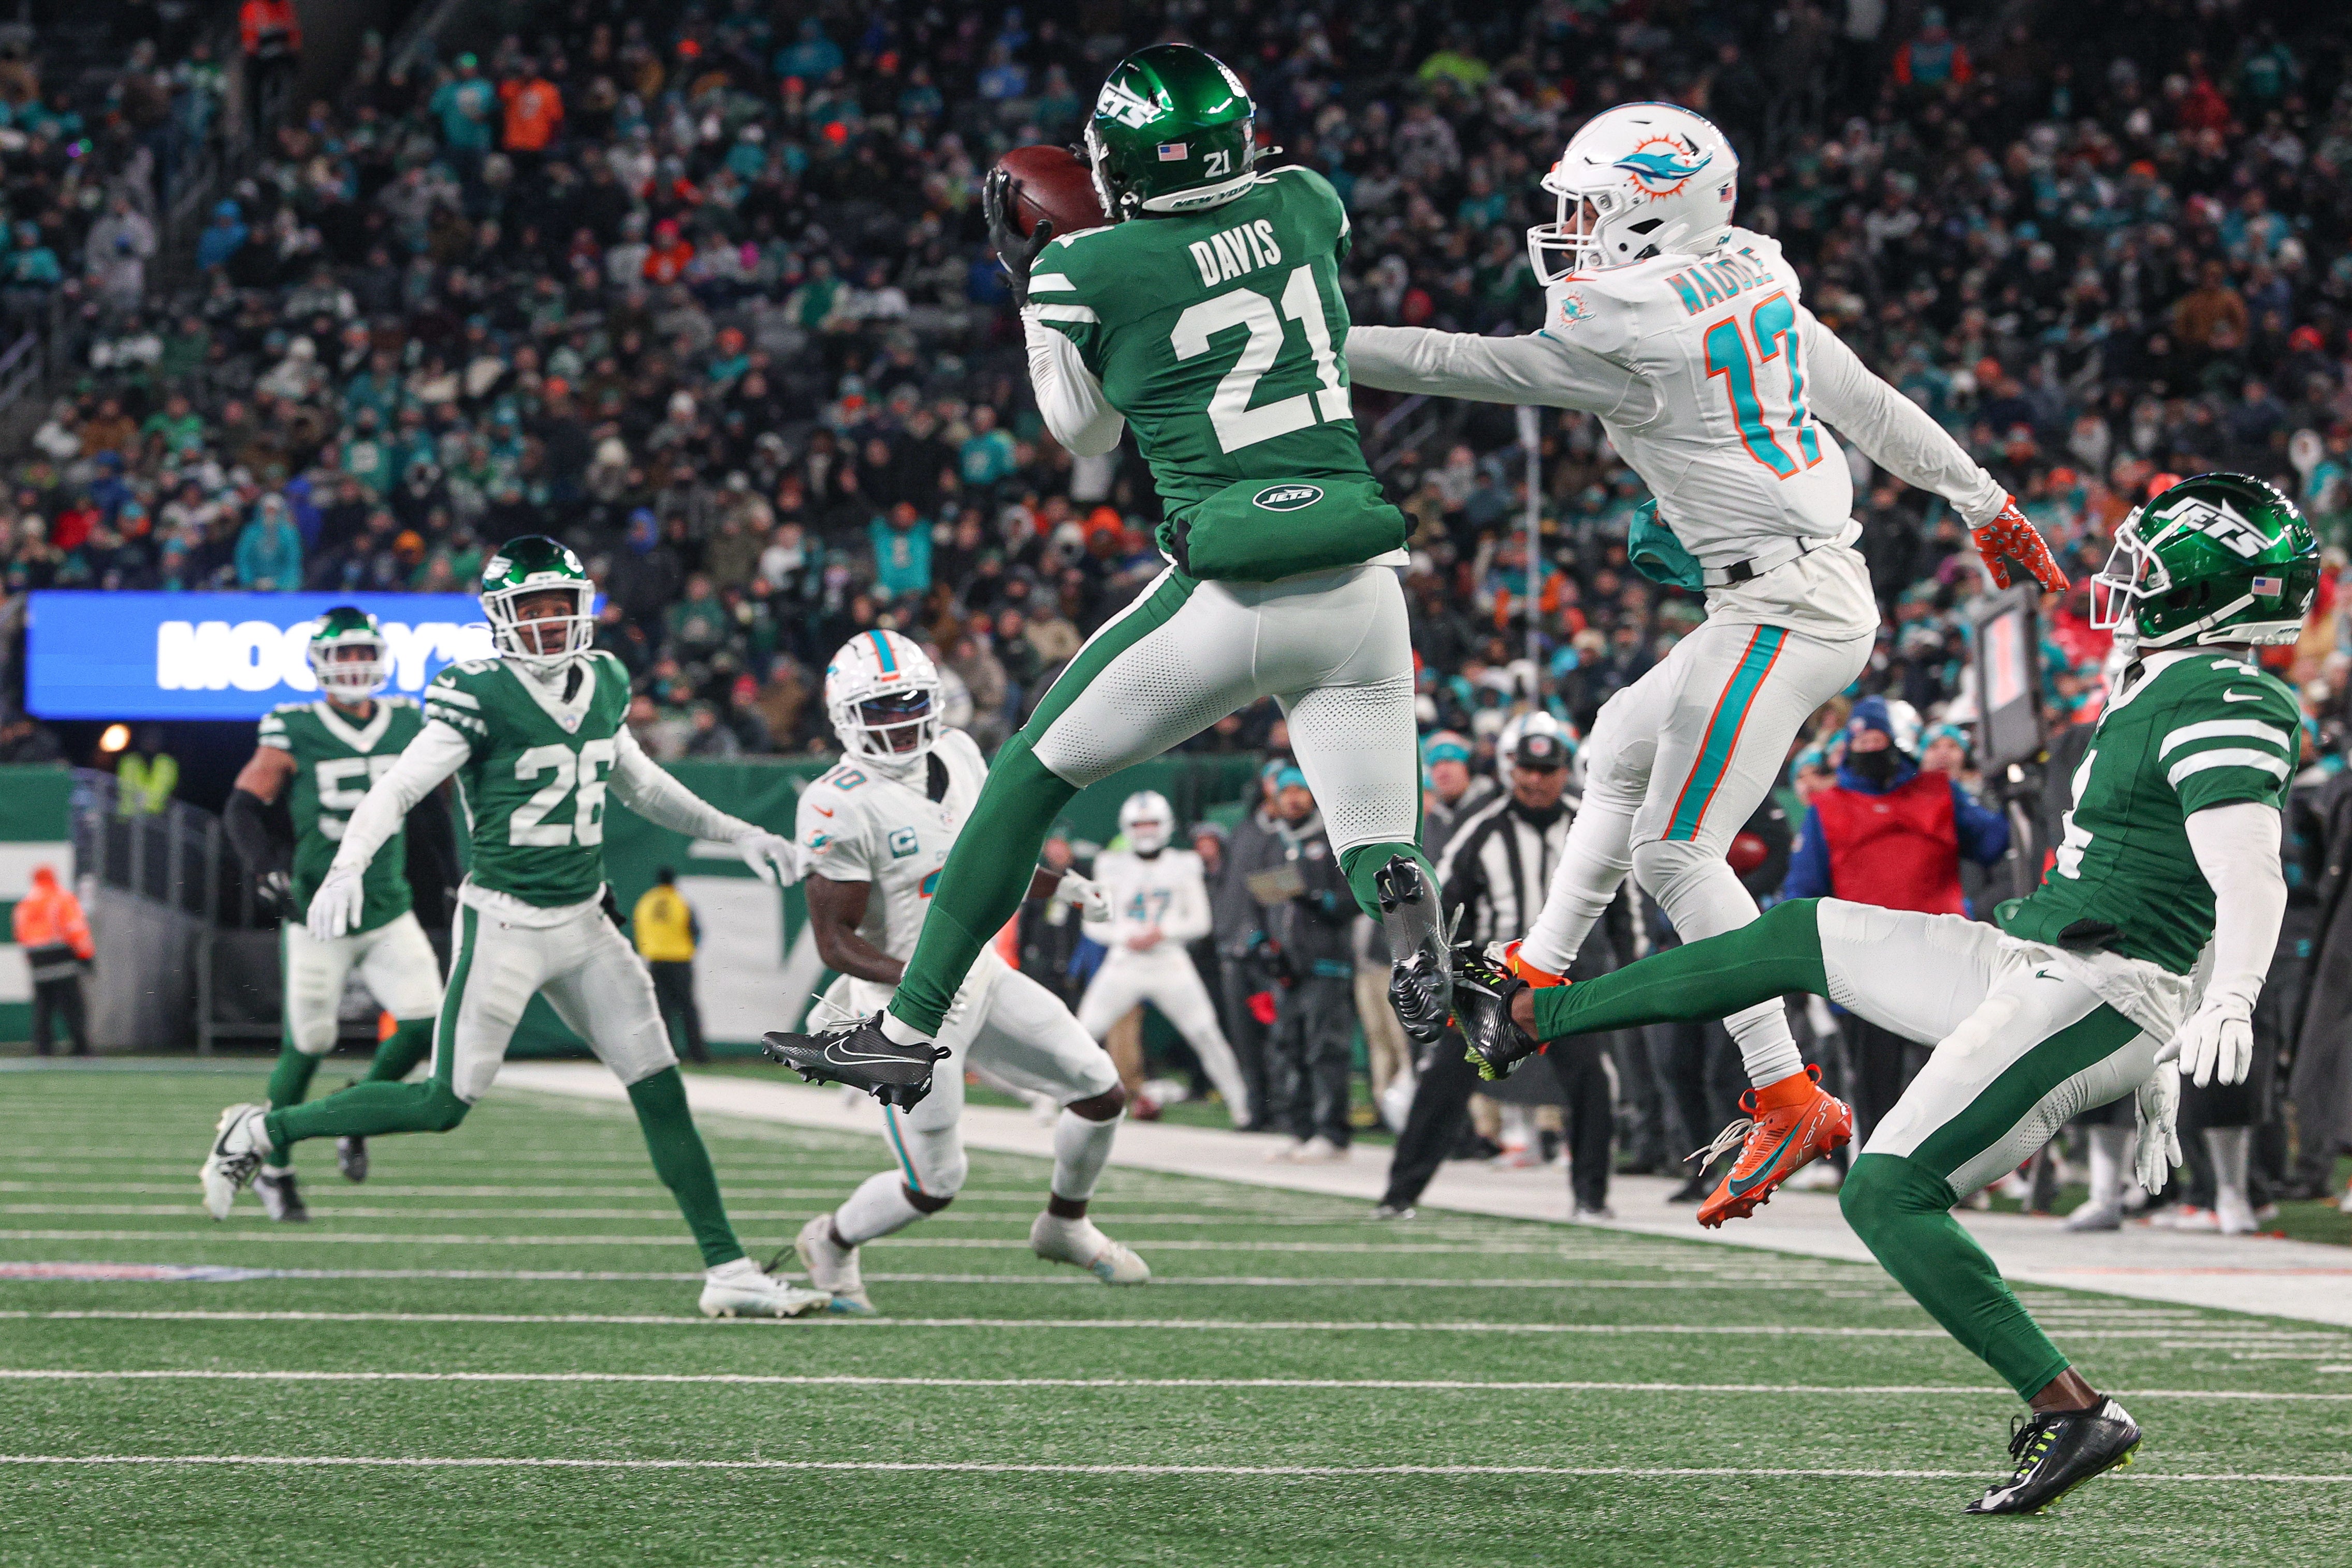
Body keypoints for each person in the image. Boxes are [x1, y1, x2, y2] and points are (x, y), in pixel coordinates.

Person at [1450, 474, 2316, 1514]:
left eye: (2153, 571)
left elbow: (2247, 869)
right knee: (1792, 932)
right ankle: (1526, 1012)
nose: (2127, 583)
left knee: (1885, 1189)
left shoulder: (2229, 693)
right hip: (2042, 959)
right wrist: (2176, 1030)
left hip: (2098, 987)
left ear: (2213, 595)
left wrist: (2224, 1000)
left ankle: (2075, 1406)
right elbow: (2182, 871)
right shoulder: (2163, 679)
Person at [1343, 100, 2069, 1226]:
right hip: (1786, 586)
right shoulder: (1752, 275)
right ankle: (1540, 966)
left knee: (1675, 850)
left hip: (1784, 604)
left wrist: (1307, 345)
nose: (1573, 227)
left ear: (1652, 213)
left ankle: (1784, 1085)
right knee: (1619, 743)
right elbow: (1866, 403)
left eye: (1592, 207)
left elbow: (1457, 363)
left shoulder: (1633, 333)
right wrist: (1986, 499)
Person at [763, 43, 1448, 1101]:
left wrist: (1043, 287)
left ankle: (906, 1028)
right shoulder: (1310, 201)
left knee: (1024, 782)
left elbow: (1082, 435)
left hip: (1232, 586)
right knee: (1375, 834)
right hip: (1364, 585)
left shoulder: (1083, 268)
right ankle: (1402, 897)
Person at [199, 538, 827, 1320]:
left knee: (661, 1089)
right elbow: (396, 791)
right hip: (504, 923)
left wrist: (739, 832)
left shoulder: (602, 678)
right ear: (500, 619)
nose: (546, 623)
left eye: (557, 606)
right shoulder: (478, 693)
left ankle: (726, 1267)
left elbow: (640, 784)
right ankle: (262, 1130)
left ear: (581, 606)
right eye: (528, 610)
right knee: (444, 1103)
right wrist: (344, 867)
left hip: (585, 921)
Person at [788, 631, 1145, 1313]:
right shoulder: (835, 802)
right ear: (843, 718)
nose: (898, 723)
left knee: (1100, 1091)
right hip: (902, 1012)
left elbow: (990, 858)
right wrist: (925, 977)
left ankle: (1064, 1225)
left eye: (909, 704)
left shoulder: (957, 750)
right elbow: (835, 942)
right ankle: (830, 1240)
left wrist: (1058, 885)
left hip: (978, 976)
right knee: (935, 1183)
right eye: (880, 710)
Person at [220, 608, 454, 1219]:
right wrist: (263, 864)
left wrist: (453, 876)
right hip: (318, 912)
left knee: (429, 1023)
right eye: (343, 654)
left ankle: (357, 1110)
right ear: (321, 663)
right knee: (312, 1040)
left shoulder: (407, 719)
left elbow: (432, 811)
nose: (354, 665)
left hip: (387, 907)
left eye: (362, 653)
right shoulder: (294, 726)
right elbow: (243, 807)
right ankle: (276, 1168)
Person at [1380, 718, 1618, 1218]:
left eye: (1546, 770)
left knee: (1592, 1083)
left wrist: (1632, 967)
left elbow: (1625, 906)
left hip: (1566, 983)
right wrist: (1432, 970)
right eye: (1527, 769)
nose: (1535, 780)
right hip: (1492, 981)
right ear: (1512, 769)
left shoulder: (1591, 826)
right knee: (1443, 1083)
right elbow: (1438, 904)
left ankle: (1591, 1199)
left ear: (1563, 772)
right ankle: (1400, 1194)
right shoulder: (1483, 827)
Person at [1783, 695, 2010, 1143]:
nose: (1870, 747)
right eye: (1861, 739)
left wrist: (2010, 792)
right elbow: (1803, 891)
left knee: (1951, 1079)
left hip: (1942, 961)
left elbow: (1991, 844)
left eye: (1879, 738)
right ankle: (1880, 1179)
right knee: (1875, 1087)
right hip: (1867, 969)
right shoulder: (1827, 808)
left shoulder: (1939, 792)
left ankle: (1946, 1175)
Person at [1076, 791, 1253, 1124]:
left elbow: (1200, 922)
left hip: (1169, 961)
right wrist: (1126, 936)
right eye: (1138, 823)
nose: (1145, 830)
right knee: (1082, 1032)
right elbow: (1093, 924)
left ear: (1167, 825)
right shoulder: (1110, 864)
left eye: (1152, 822)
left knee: (1206, 1034)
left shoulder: (1184, 864)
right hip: (1125, 960)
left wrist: (1164, 932)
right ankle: (1045, 1099)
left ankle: (1242, 1108)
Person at [1256, 767, 1358, 1160]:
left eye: (1301, 790)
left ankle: (1332, 1133)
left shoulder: (1333, 839)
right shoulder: (1275, 842)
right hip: (1287, 967)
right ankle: (1301, 1130)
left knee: (1325, 1049)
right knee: (1290, 1048)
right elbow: (1261, 898)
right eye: (1287, 792)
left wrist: (1321, 901)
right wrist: (1263, 942)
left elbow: (1354, 902)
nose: (1294, 798)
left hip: (1325, 963)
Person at [13, 865, 92, 1056]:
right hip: (62, 958)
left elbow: (21, 935)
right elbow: (75, 928)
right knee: (73, 1006)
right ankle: (81, 1048)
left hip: (38, 962)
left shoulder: (25, 904)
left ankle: (44, 1049)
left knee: (43, 1008)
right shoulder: (62, 898)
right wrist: (86, 956)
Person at [633, 867, 707, 1065]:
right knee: (688, 1009)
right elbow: (696, 932)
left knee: (662, 1010)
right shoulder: (680, 901)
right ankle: (698, 1055)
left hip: (656, 961)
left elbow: (640, 930)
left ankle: (667, 1055)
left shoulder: (646, 902)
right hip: (680, 960)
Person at [115, 727, 177, 817]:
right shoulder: (129, 761)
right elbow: (122, 789)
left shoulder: (167, 763)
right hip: (128, 818)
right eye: (148, 738)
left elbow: (164, 793)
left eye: (154, 739)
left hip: (154, 819)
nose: (150, 742)